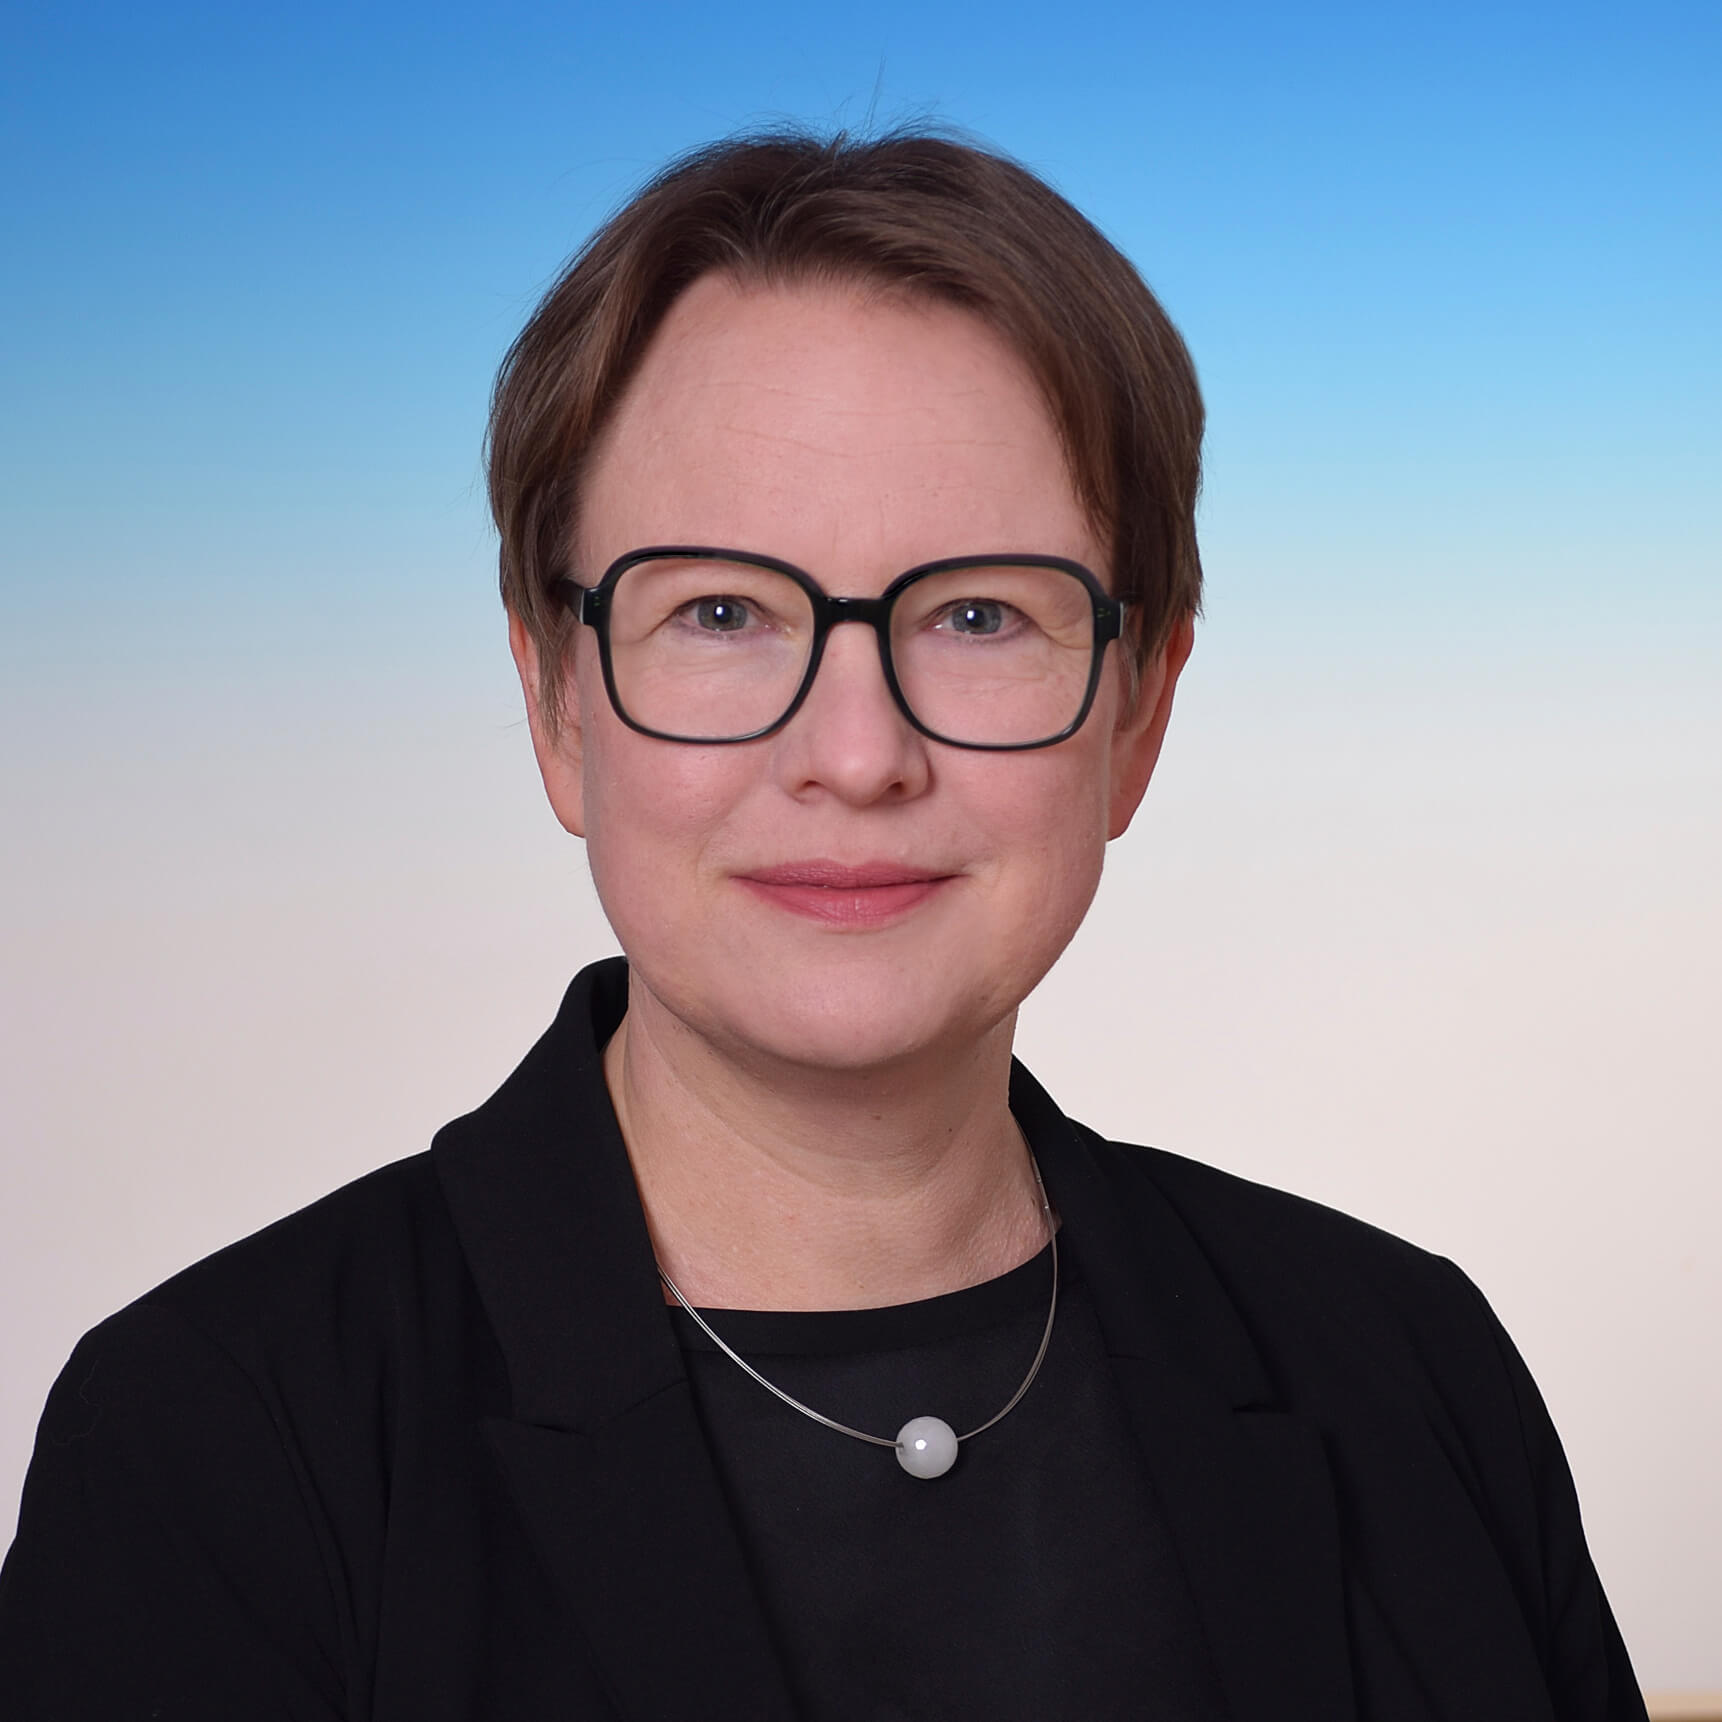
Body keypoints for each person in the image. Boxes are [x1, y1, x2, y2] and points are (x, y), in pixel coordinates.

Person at [0, 130, 1645, 1721]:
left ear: (1137, 710)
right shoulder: (216, 1440)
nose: (856, 755)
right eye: (720, 610)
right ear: (557, 701)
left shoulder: (1405, 1366)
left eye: (977, 614)